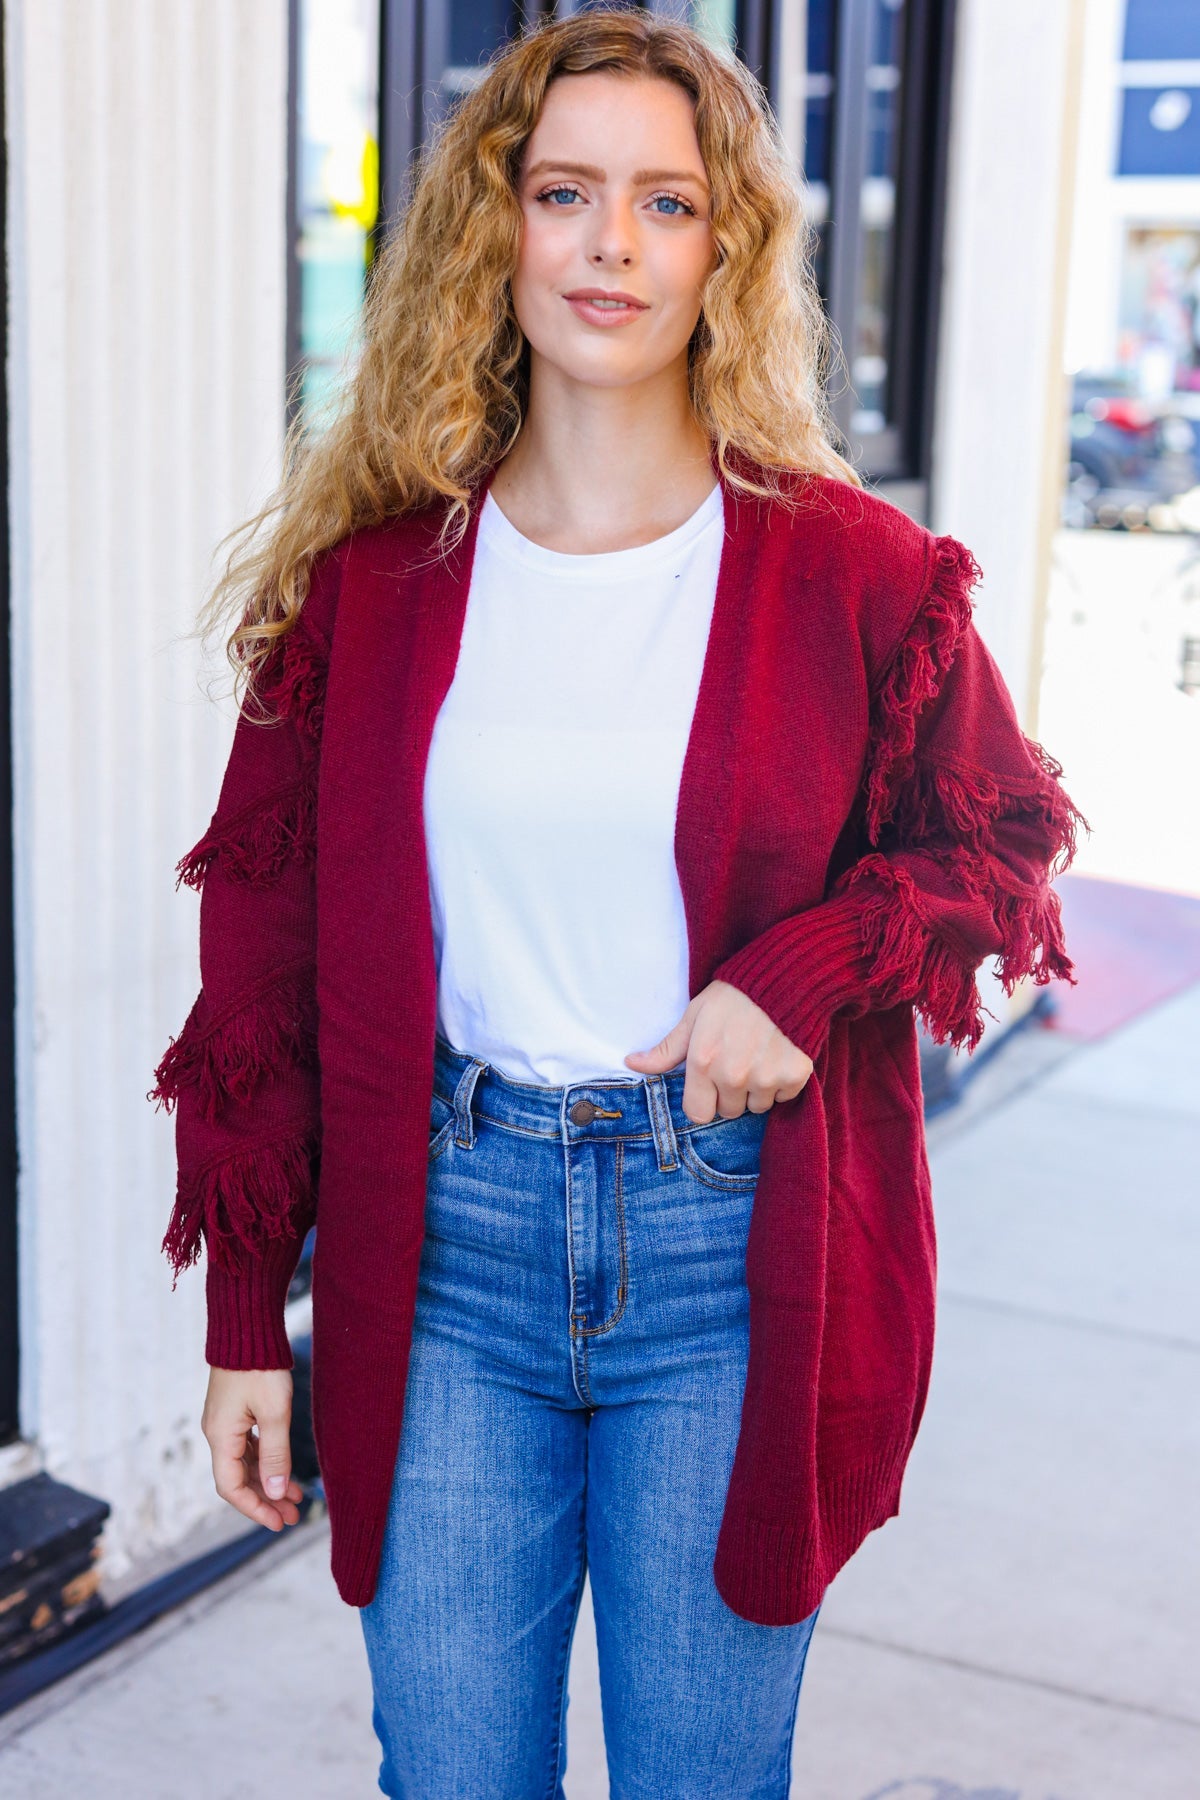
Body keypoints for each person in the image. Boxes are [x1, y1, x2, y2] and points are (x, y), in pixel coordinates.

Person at [149, 11, 1087, 1797]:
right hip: (445, 1264)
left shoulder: (851, 573)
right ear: (492, 232)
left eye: (666, 204)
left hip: (729, 1268)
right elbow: (258, 962)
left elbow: (1005, 848)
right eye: (564, 192)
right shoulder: (373, 588)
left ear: (725, 250)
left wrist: (799, 976)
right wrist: (240, 1321)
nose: (610, 245)